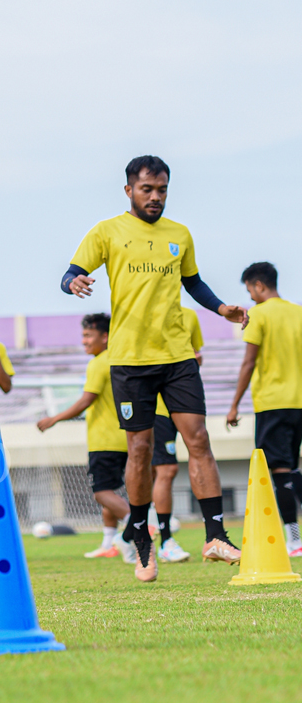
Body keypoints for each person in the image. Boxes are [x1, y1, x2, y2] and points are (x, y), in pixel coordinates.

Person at [62, 155, 247, 581]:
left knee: (198, 439)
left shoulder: (179, 234)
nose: (156, 197)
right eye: (147, 189)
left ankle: (215, 534)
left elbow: (192, 282)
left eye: (162, 189)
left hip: (177, 357)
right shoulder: (107, 231)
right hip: (130, 361)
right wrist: (74, 281)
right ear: (129, 190)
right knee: (140, 451)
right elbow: (71, 272)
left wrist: (222, 308)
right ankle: (142, 534)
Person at [38, 314, 135, 562]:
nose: (84, 341)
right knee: (111, 493)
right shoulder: (119, 360)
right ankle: (108, 541)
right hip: (124, 438)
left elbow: (85, 401)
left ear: (105, 337)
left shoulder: (98, 364)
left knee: (101, 493)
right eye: (83, 335)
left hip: (104, 440)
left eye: (88, 335)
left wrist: (53, 419)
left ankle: (139, 525)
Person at [227, 262, 302, 556]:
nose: (250, 297)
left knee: (280, 470)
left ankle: (294, 539)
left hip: (273, 402)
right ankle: (295, 538)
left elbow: (249, 362)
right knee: (293, 467)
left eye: (249, 291)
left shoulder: (258, 315)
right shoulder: (298, 312)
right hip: (299, 402)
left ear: (258, 285)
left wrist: (234, 404)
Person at [147, 305, 204, 563]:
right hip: (156, 407)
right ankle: (165, 539)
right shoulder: (141, 311)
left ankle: (132, 533)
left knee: (194, 455)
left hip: (181, 404)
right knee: (165, 470)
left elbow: (195, 355)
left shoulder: (189, 315)